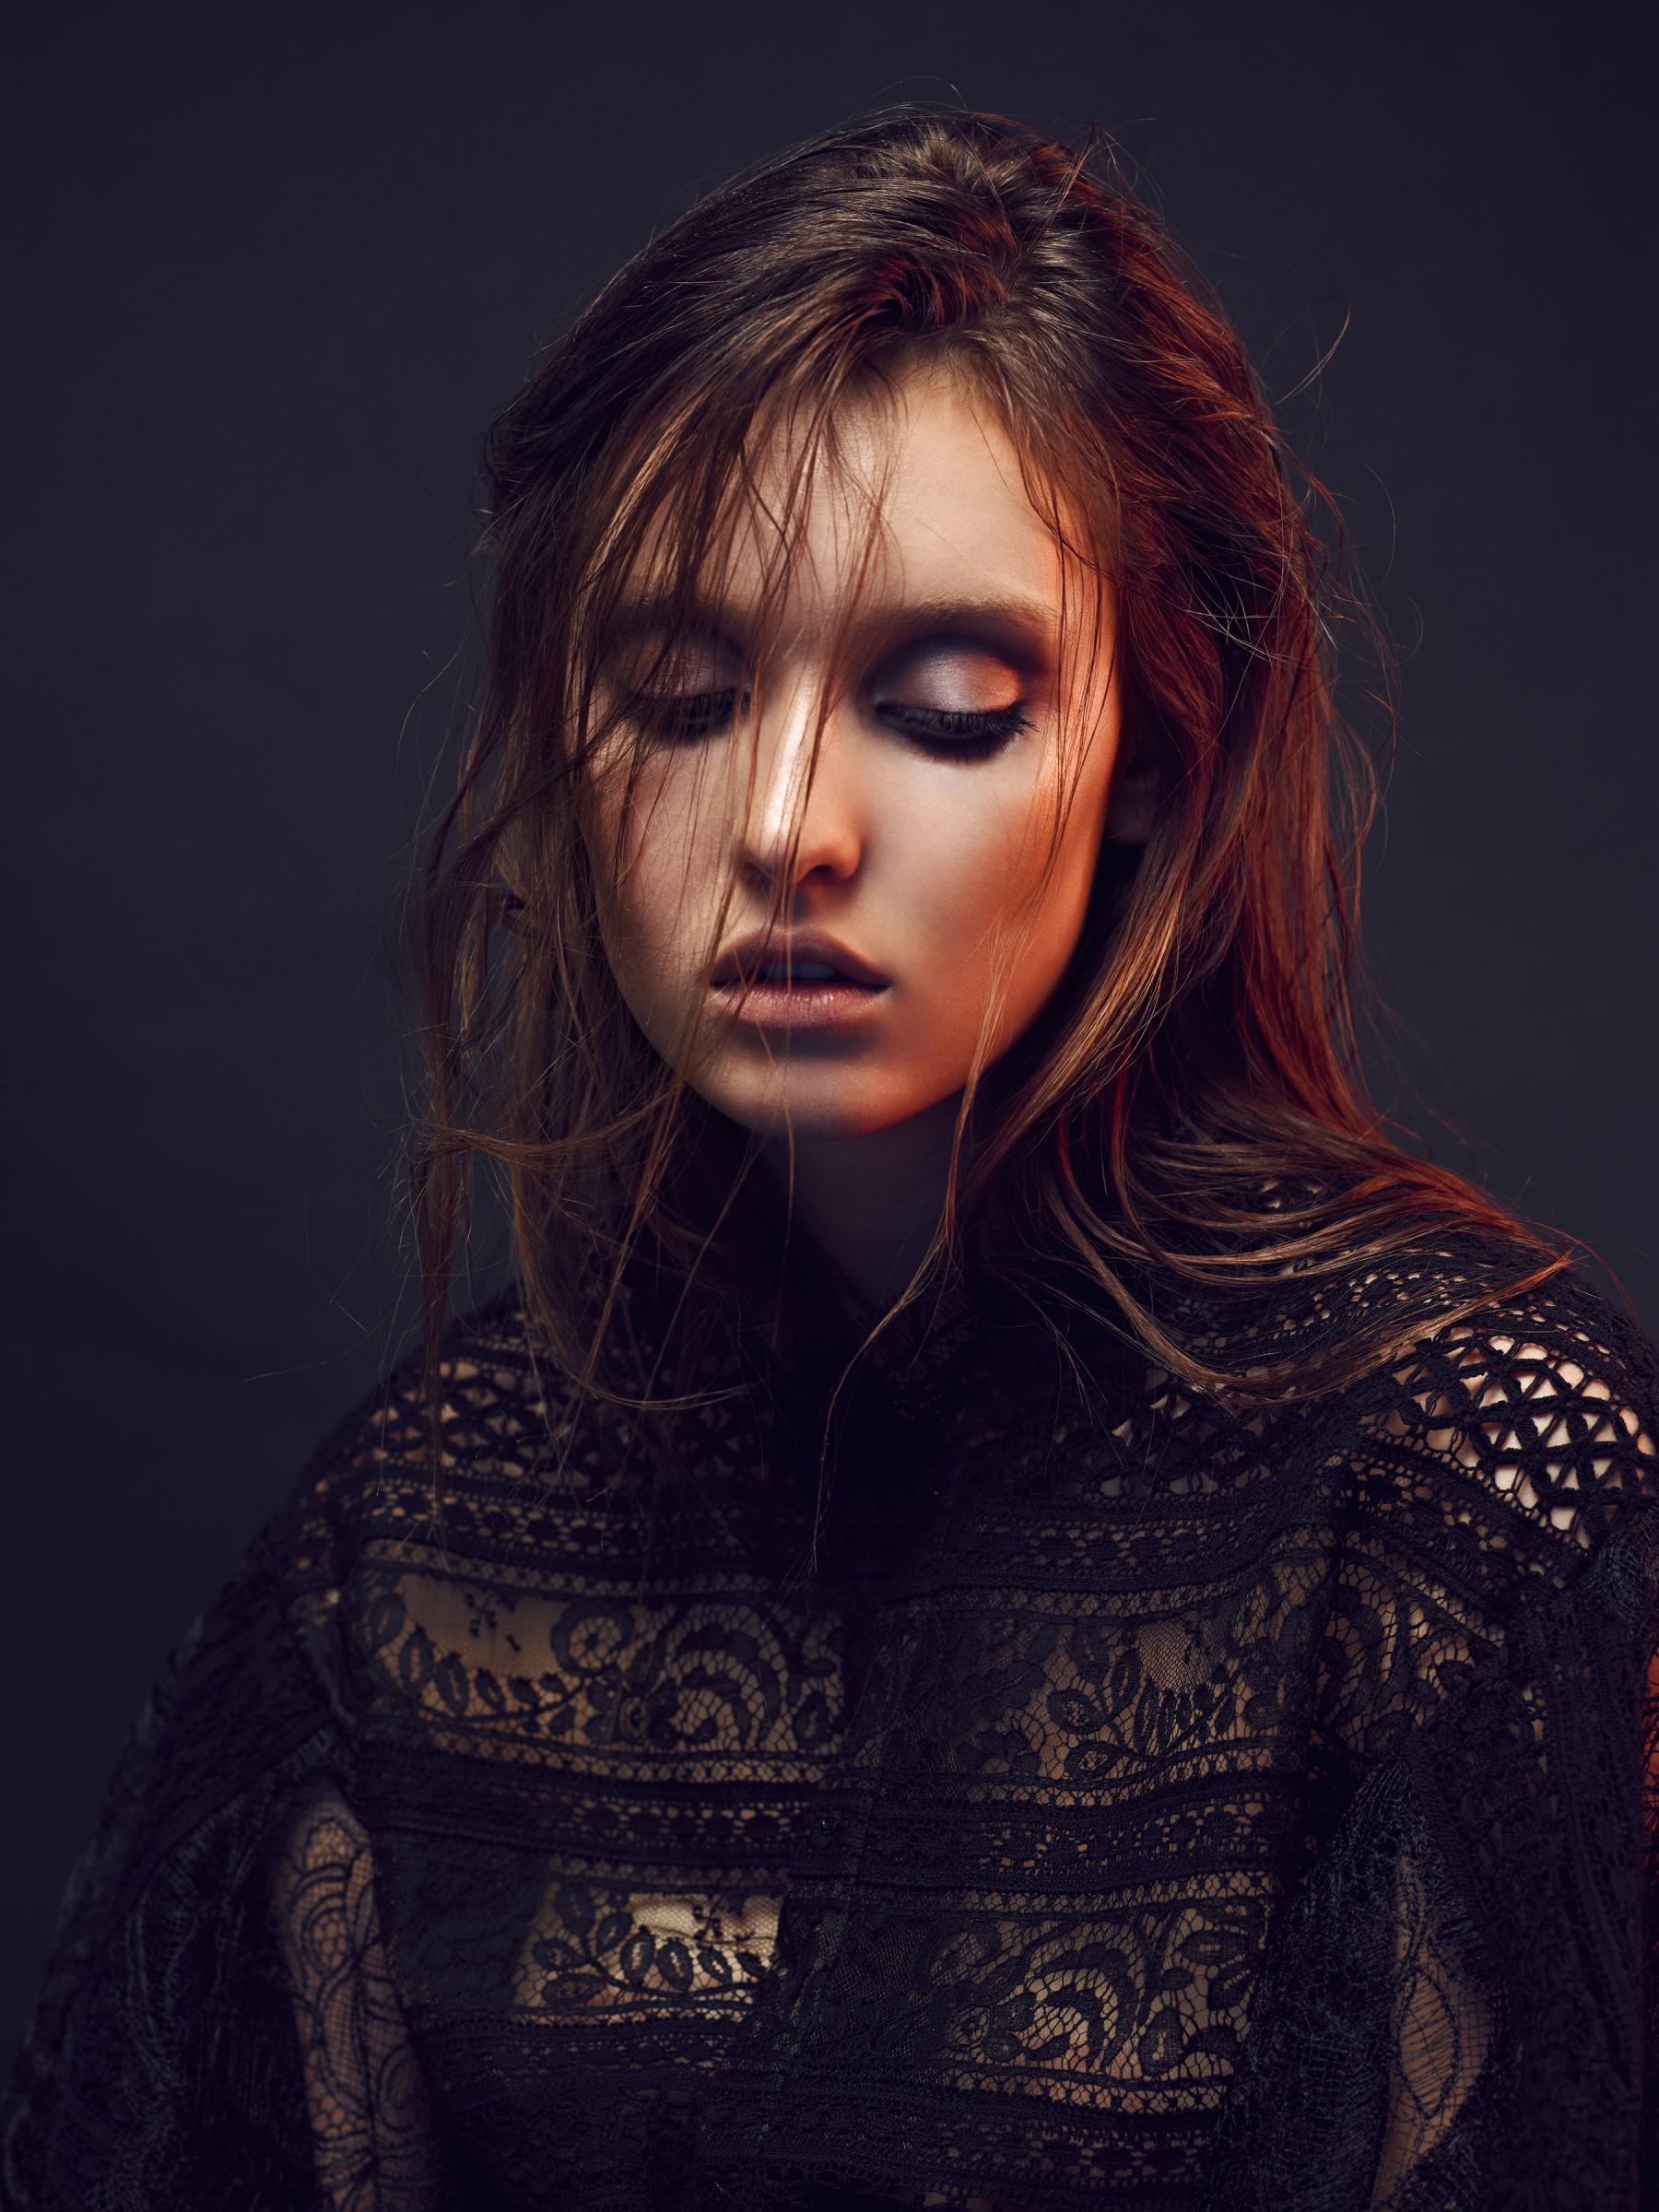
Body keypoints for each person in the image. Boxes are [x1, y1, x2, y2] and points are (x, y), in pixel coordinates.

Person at [4, 101, 1656, 2212]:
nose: (786, 821)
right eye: (678, 697)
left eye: (947, 704)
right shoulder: (412, 1543)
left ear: (1157, 753)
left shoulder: (1459, 1500)